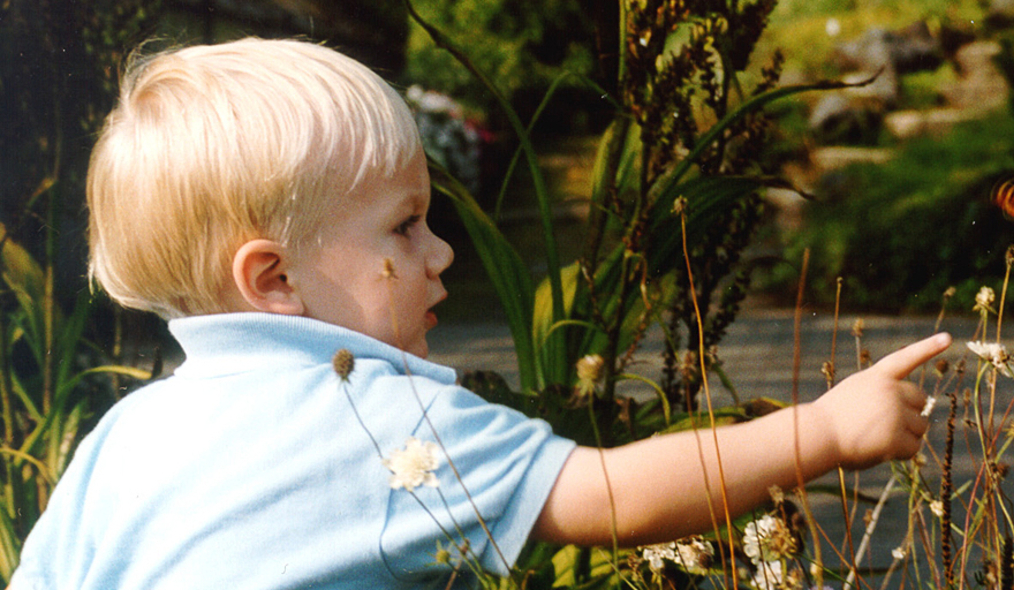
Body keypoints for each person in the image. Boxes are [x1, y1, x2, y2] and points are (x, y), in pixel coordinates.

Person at [8, 38, 951, 589]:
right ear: (275, 281)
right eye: (409, 225)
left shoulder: (122, 435)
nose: (443, 252)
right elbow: (612, 496)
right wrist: (823, 430)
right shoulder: (379, 421)